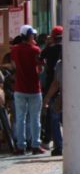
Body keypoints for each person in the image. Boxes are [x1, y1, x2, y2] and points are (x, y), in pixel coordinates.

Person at [10, 25, 44, 155]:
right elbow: (41, 68)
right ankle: (35, 145)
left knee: (20, 118)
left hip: (19, 88)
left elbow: (13, 65)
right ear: (29, 36)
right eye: (33, 35)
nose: (34, 37)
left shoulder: (15, 50)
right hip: (34, 89)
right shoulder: (36, 50)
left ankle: (20, 146)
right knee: (35, 118)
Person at [39, 25, 63, 147]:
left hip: (51, 83)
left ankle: (48, 140)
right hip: (65, 84)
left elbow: (40, 58)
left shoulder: (49, 49)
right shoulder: (68, 48)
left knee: (51, 114)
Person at [42, 59, 64, 156]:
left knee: (55, 119)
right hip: (76, 97)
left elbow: (56, 83)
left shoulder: (60, 64)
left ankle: (59, 146)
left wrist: (47, 98)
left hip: (63, 97)